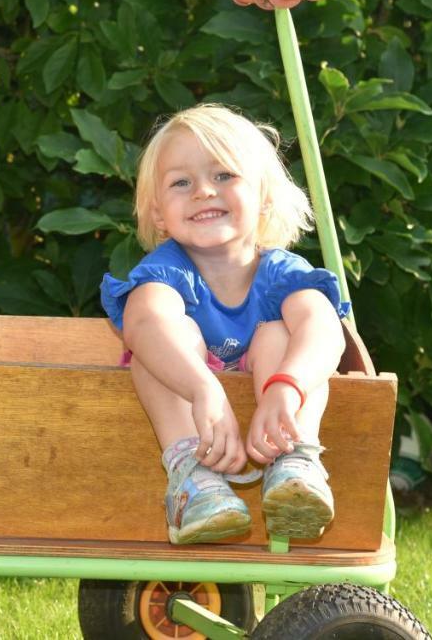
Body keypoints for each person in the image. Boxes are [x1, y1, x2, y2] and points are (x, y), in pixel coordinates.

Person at [101, 103, 349, 545]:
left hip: (276, 419)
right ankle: (194, 481)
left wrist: (285, 387)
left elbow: (325, 327)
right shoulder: (167, 274)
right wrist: (204, 389)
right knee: (157, 348)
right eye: (181, 183)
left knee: (283, 333)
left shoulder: (280, 273)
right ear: (159, 213)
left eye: (224, 176)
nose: (203, 192)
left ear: (264, 196)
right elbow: (143, 323)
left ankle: (294, 463)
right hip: (190, 417)